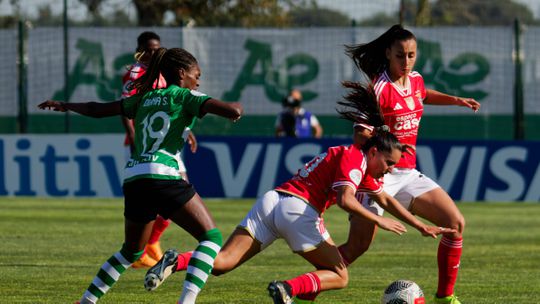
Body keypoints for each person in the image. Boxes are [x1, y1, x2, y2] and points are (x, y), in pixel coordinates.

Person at [142, 81, 453, 304]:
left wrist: (420, 225)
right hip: (299, 211)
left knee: (222, 263)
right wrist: (381, 222)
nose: (389, 170)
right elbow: (345, 200)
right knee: (340, 275)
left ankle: (177, 259)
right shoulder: (354, 157)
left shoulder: (361, 165)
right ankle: (288, 289)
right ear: (374, 152)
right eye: (388, 163)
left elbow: (384, 198)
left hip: (271, 201)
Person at [38, 47, 243, 304]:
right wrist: (236, 106)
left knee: (130, 251)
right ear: (182, 73)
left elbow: (98, 109)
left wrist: (64, 104)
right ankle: (186, 301)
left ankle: (87, 301)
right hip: (164, 174)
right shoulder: (186, 96)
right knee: (211, 238)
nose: (198, 80)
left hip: (135, 177)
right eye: (196, 74)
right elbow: (232, 111)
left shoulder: (144, 98)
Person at [329, 24, 481, 304]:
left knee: (455, 223)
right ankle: (302, 290)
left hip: (408, 173)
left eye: (412, 55)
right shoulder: (379, 89)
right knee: (357, 246)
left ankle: (445, 298)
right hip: (377, 176)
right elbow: (360, 134)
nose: (407, 62)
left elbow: (422, 94)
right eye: (400, 55)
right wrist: (387, 144)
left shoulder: (416, 80)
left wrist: (456, 100)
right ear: (388, 53)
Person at [119, 31, 199, 268]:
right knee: (164, 193)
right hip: (146, 146)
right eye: (149, 49)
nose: (154, 53)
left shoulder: (163, 74)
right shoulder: (134, 74)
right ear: (140, 50)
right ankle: (141, 248)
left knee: (177, 188)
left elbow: (171, 109)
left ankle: (152, 243)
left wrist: (187, 130)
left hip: (167, 144)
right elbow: (126, 107)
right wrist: (132, 134)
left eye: (157, 49)